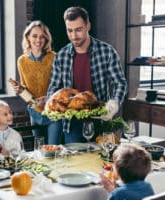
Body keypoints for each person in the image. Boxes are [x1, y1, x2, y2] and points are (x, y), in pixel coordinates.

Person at [46, 6, 127, 143]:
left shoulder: (107, 52)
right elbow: (53, 87)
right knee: (76, 163)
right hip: (73, 125)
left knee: (101, 162)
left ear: (88, 26)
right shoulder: (61, 56)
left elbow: (120, 82)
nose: (74, 36)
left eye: (78, 30)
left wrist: (114, 103)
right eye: (69, 30)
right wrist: (50, 102)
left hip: (101, 120)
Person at [12, 20, 62, 144]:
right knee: (39, 150)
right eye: (34, 36)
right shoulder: (22, 61)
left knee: (53, 150)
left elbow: (62, 87)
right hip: (35, 111)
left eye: (42, 37)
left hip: (53, 112)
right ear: (28, 37)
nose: (38, 40)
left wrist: (48, 98)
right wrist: (20, 90)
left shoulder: (54, 57)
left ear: (46, 39)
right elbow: (25, 87)